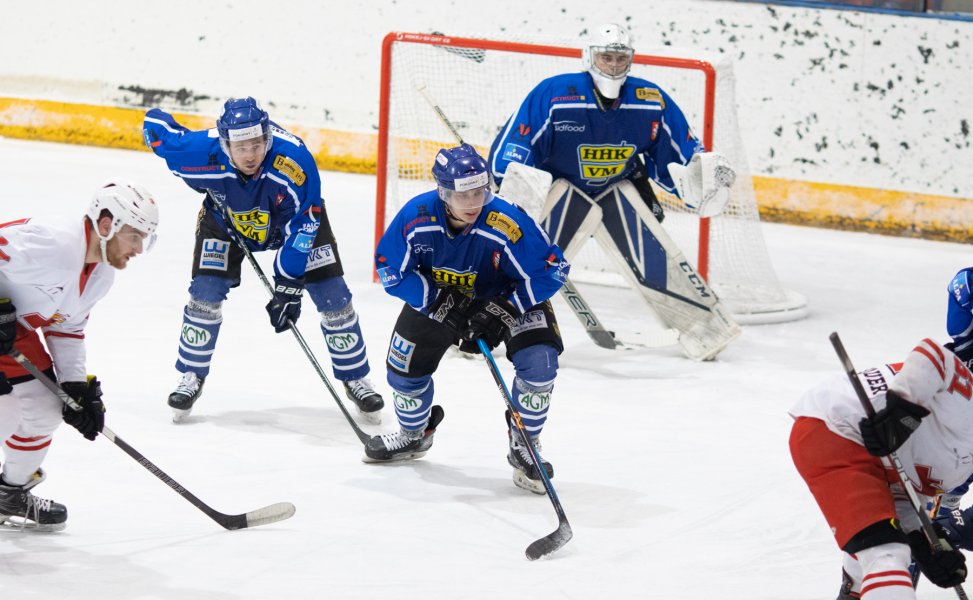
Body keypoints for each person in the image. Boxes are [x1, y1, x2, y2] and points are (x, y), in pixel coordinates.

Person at [142, 97, 384, 422]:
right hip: (226, 222)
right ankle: (191, 374)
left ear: (267, 137)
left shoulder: (294, 162)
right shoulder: (199, 152)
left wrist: (288, 286)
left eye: (257, 144)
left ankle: (355, 377)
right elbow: (157, 127)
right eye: (241, 147)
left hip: (295, 223)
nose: (250, 154)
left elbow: (304, 225)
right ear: (225, 144)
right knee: (205, 294)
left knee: (333, 296)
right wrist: (152, 134)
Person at [368, 143, 570, 493]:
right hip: (442, 296)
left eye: (480, 191)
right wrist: (436, 303)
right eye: (464, 195)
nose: (474, 202)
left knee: (540, 363)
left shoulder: (508, 220)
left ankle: (525, 444)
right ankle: (414, 434)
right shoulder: (416, 216)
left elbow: (553, 271)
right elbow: (389, 268)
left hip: (508, 296)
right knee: (402, 368)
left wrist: (505, 309)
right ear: (443, 193)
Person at [0, 181, 159, 530]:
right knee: (6, 411)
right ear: (106, 225)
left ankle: (8, 494)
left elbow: (66, 328)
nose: (138, 248)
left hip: (12, 333)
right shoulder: (54, 243)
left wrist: (75, 388)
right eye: (134, 236)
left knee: (45, 408)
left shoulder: (100, 275)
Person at [488, 22, 735, 225]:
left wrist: (702, 175)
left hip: (619, 187)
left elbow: (677, 152)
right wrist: (512, 190)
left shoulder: (649, 100)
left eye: (621, 58)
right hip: (558, 189)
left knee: (651, 234)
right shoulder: (555, 94)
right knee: (528, 248)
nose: (614, 65)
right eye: (606, 57)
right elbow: (518, 144)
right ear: (589, 57)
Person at [789, 330, 973, 599]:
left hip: (859, 451)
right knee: (886, 555)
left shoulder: (961, 468)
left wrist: (923, 542)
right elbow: (934, 355)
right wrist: (901, 414)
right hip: (837, 428)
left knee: (884, 548)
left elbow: (903, 495)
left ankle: (856, 590)